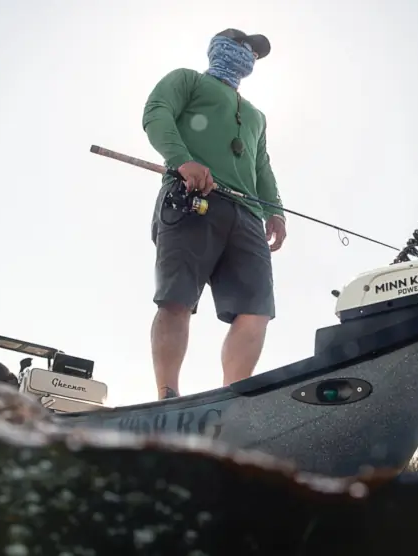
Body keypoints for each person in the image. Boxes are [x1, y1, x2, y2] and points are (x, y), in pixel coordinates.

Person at [142, 28, 287, 400]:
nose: (249, 56)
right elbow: (156, 113)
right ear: (219, 47)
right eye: (244, 47)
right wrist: (182, 161)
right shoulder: (186, 80)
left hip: (248, 215)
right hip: (190, 199)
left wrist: (276, 211)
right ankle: (167, 394)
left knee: (257, 309)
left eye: (254, 53)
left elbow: (262, 166)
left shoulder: (257, 116)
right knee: (176, 299)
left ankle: (231, 398)